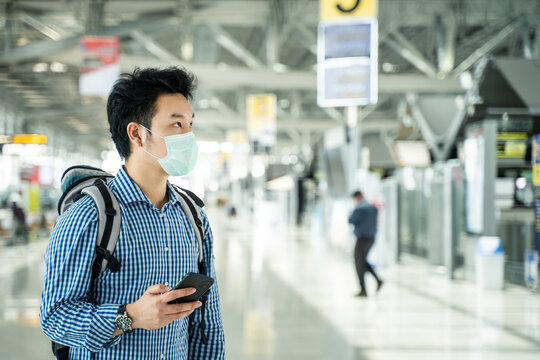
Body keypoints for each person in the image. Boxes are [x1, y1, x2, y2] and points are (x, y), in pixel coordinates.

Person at [40, 67, 225, 359]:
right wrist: (130, 317)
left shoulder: (193, 217)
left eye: (191, 124)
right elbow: (55, 318)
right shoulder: (90, 216)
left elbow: (207, 322)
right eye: (177, 125)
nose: (189, 135)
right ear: (137, 133)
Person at [348, 190, 383, 297]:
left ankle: (363, 289)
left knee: (359, 263)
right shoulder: (373, 208)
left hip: (362, 238)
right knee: (362, 261)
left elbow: (351, 220)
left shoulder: (359, 208)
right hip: (371, 238)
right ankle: (378, 280)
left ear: (357, 197)